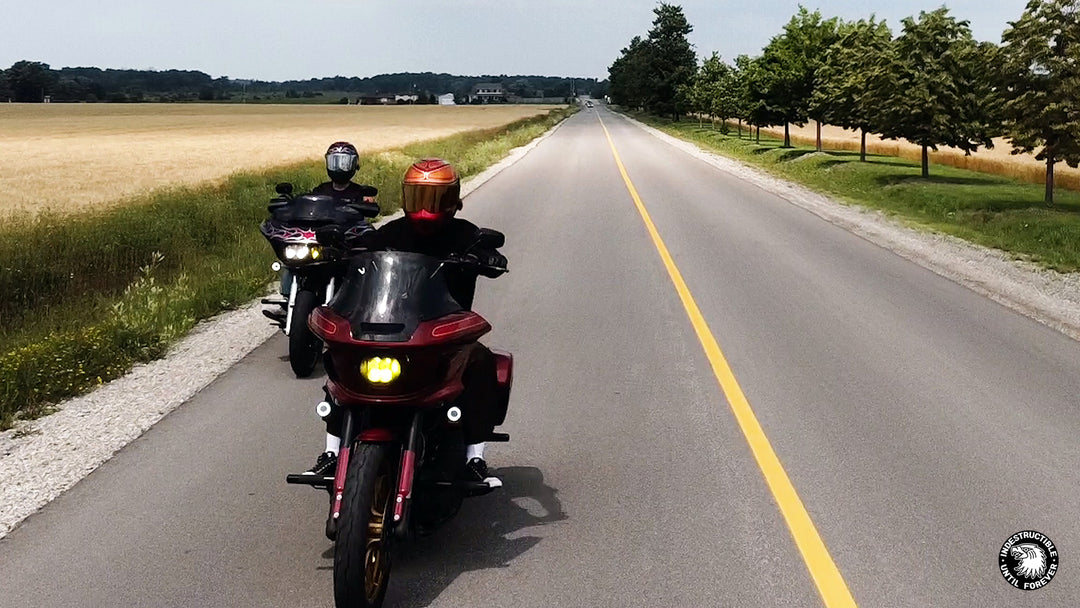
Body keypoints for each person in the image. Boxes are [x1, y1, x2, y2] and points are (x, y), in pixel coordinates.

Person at [307, 158, 508, 487]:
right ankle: (331, 451)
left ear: (452, 200)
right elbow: (361, 255)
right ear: (406, 198)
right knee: (340, 363)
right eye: (418, 197)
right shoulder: (391, 232)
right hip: (386, 328)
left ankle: (475, 456)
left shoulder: (467, 235)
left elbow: (491, 258)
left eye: (435, 198)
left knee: (483, 362)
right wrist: (338, 252)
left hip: (444, 333)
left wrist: (489, 259)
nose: (426, 208)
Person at [279, 142, 378, 298]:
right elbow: (309, 208)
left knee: (368, 253)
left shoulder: (359, 191)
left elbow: (369, 211)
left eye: (344, 163)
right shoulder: (321, 190)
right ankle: (287, 297)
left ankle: (363, 294)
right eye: (335, 162)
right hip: (320, 238)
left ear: (353, 165)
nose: (339, 168)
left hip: (346, 239)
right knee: (293, 259)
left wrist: (368, 204)